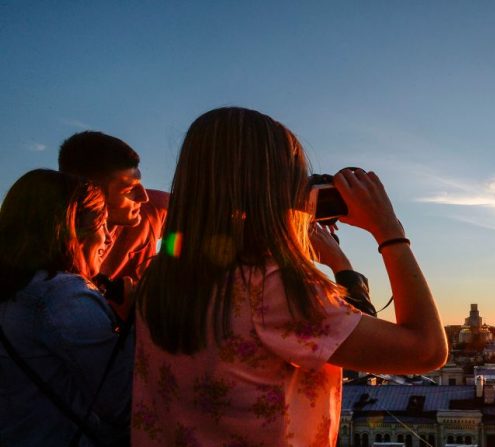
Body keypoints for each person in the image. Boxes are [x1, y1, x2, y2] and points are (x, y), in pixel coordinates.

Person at [132, 107, 448, 446]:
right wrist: (390, 231)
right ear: (276, 189)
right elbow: (427, 350)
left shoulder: (158, 279)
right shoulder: (271, 288)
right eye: (299, 177)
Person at [0, 169, 133, 446]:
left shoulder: (14, 291)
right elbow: (123, 404)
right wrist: (134, 319)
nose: (109, 238)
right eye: (103, 224)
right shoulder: (64, 295)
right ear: (71, 228)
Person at [59, 131, 169, 284]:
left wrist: (169, 257)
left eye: (139, 184)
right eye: (129, 190)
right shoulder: (57, 252)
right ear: (91, 193)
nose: (143, 197)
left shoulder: (154, 209)